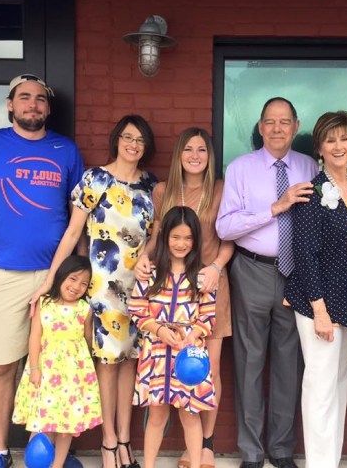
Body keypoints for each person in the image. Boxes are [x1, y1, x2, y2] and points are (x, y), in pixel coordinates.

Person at [0, 74, 85, 468]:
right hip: (5, 275)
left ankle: (48, 451)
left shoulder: (66, 150)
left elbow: (78, 218)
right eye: (24, 97)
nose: (33, 104)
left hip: (56, 278)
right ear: (10, 104)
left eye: (40, 99)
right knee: (3, 366)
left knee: (54, 367)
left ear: (48, 107)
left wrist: (79, 272)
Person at [30, 114, 157, 468]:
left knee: (130, 359)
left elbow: (156, 232)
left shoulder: (151, 185)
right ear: (116, 139)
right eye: (128, 137)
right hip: (102, 285)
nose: (133, 144)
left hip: (139, 285)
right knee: (107, 363)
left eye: (140, 140)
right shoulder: (95, 178)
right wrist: (51, 280)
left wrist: (148, 255)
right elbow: (73, 232)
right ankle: (108, 441)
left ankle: (126, 438)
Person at [216, 97, 317, 468]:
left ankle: (282, 449)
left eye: (284, 122)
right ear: (260, 127)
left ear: (295, 126)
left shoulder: (309, 166)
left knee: (289, 364)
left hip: (296, 275)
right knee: (250, 362)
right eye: (270, 122)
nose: (277, 128)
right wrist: (275, 207)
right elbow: (224, 227)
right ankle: (252, 452)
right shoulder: (240, 168)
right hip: (252, 270)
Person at [134, 127, 234, 468]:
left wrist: (216, 268)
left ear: (210, 156)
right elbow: (158, 235)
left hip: (207, 285)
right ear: (179, 154)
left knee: (209, 368)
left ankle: (205, 445)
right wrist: (144, 258)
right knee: (167, 385)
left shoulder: (220, 189)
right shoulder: (163, 190)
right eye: (188, 149)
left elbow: (229, 238)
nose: (195, 155)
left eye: (201, 149)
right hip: (166, 290)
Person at [283, 111, 347, 468]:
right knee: (320, 387)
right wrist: (319, 311)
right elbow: (304, 254)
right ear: (319, 148)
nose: (338, 146)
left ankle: (329, 460)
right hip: (318, 302)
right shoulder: (312, 191)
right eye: (330, 140)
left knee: (338, 382)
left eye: (344, 139)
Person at [129, 206, 216, 468]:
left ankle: (196, 462)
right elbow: (137, 309)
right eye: (175, 237)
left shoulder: (202, 277)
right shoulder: (150, 273)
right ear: (165, 236)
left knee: (190, 415)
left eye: (188, 238)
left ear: (196, 240)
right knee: (156, 415)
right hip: (156, 353)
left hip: (189, 356)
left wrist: (193, 336)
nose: (181, 244)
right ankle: (149, 465)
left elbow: (208, 317)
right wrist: (158, 330)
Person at [13, 255, 102, 468]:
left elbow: (88, 340)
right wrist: (34, 368)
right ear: (61, 276)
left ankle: (58, 464)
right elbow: (35, 337)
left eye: (84, 283)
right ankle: (36, 464)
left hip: (73, 376)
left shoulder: (84, 309)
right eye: (73, 279)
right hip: (46, 373)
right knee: (41, 421)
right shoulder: (44, 303)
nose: (77, 287)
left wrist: (88, 372)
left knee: (67, 425)